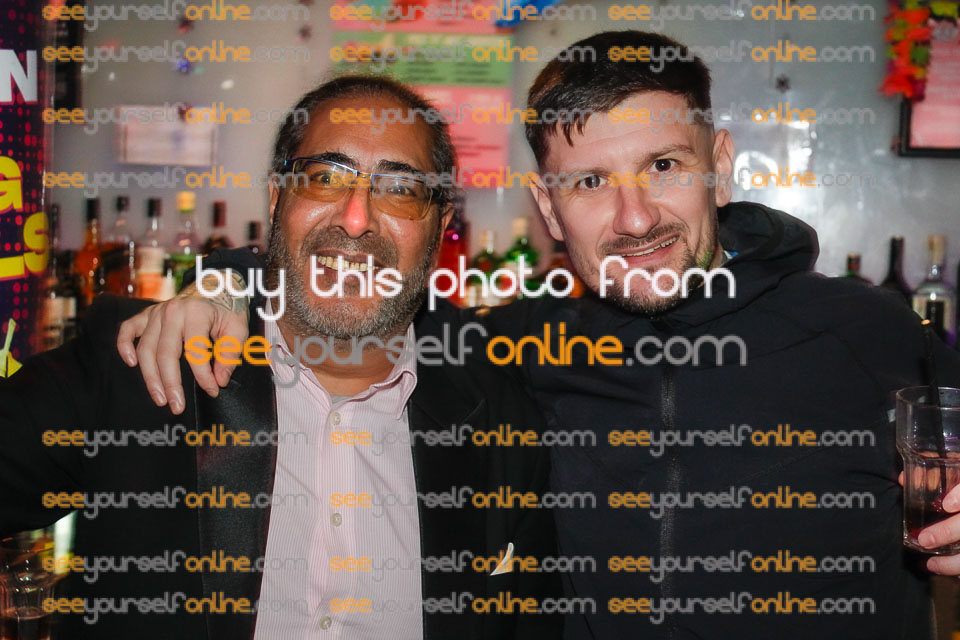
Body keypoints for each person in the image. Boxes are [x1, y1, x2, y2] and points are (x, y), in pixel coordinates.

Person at [119, 32, 960, 639]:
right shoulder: (512, 349)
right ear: (548, 210)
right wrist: (227, 282)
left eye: (664, 166)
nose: (636, 218)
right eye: (589, 181)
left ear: (721, 163)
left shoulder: (870, 332)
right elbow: (359, 281)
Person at [0, 75, 562, 640]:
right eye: (325, 177)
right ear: (276, 200)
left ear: (439, 228)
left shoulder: (502, 423)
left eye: (400, 188)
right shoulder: (145, 362)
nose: (356, 218)